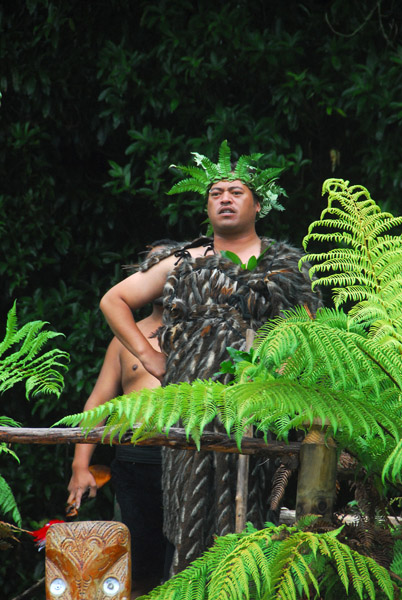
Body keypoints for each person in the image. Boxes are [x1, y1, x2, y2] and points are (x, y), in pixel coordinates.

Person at [99, 141, 321, 575]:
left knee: (253, 521)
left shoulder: (288, 267)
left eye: (236, 192)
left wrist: (281, 376)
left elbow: (311, 337)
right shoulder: (181, 263)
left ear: (259, 204)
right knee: (188, 519)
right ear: (206, 206)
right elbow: (114, 301)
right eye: (216, 193)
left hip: (260, 413)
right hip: (191, 414)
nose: (224, 198)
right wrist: (149, 357)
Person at [67, 240, 181, 597]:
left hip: (194, 462)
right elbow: (97, 404)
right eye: (154, 266)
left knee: (187, 564)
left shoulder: (210, 334)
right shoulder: (124, 339)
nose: (163, 274)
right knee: (135, 567)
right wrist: (79, 465)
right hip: (135, 464)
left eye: (171, 266)